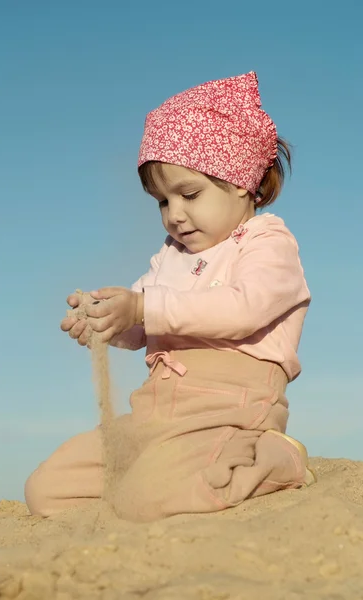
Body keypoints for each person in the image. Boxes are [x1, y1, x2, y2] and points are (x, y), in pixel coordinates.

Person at [25, 71, 315, 522]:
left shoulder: (266, 243)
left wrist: (143, 306)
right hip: (154, 416)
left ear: (240, 181)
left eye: (189, 194)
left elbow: (243, 309)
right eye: (162, 202)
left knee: (148, 497)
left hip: (224, 413)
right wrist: (109, 321)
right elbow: (143, 323)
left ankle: (274, 457)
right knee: (48, 490)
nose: (174, 215)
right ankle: (138, 500)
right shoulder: (171, 255)